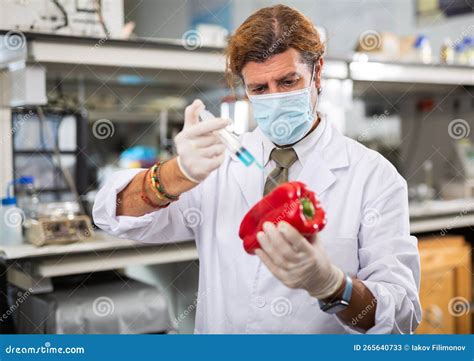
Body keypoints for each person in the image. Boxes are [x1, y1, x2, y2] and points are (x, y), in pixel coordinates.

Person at [93, 4, 421, 334]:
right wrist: (177, 173)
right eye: (259, 89)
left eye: (288, 81)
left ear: (317, 73)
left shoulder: (374, 177)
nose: (274, 97)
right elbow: (113, 214)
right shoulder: (216, 166)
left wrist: (334, 287)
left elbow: (401, 317)